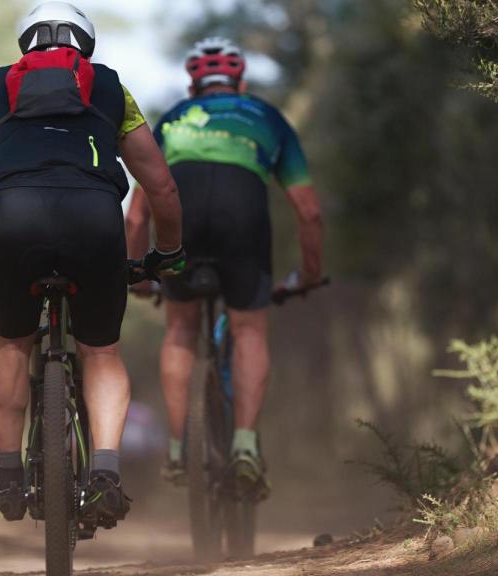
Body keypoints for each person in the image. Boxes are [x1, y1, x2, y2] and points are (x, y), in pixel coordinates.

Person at [0, 2, 184, 527]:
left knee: (10, 343)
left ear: (24, 44)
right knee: (101, 351)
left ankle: (8, 476)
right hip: (94, 223)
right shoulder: (111, 88)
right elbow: (160, 184)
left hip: (13, 223)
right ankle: (106, 475)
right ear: (85, 44)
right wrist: (168, 251)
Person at [125, 37, 325, 499]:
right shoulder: (267, 118)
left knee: (179, 330)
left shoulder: (174, 119)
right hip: (244, 223)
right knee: (250, 329)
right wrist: (309, 274)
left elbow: (137, 215)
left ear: (193, 86)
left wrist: (139, 273)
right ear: (241, 82)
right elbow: (309, 212)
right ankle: (244, 446)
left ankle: (177, 449)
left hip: (184, 221)